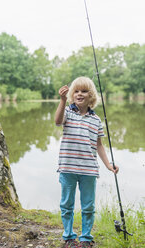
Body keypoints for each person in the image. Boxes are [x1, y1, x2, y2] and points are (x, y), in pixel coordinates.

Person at [55, 77, 119, 248]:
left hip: (89, 170)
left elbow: (99, 145)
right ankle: (68, 236)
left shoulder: (96, 120)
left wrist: (108, 165)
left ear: (91, 96)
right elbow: (57, 121)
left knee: (88, 206)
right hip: (67, 167)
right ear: (71, 95)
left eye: (84, 91)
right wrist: (62, 101)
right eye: (76, 91)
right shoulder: (67, 112)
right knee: (67, 204)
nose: (79, 94)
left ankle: (86, 238)